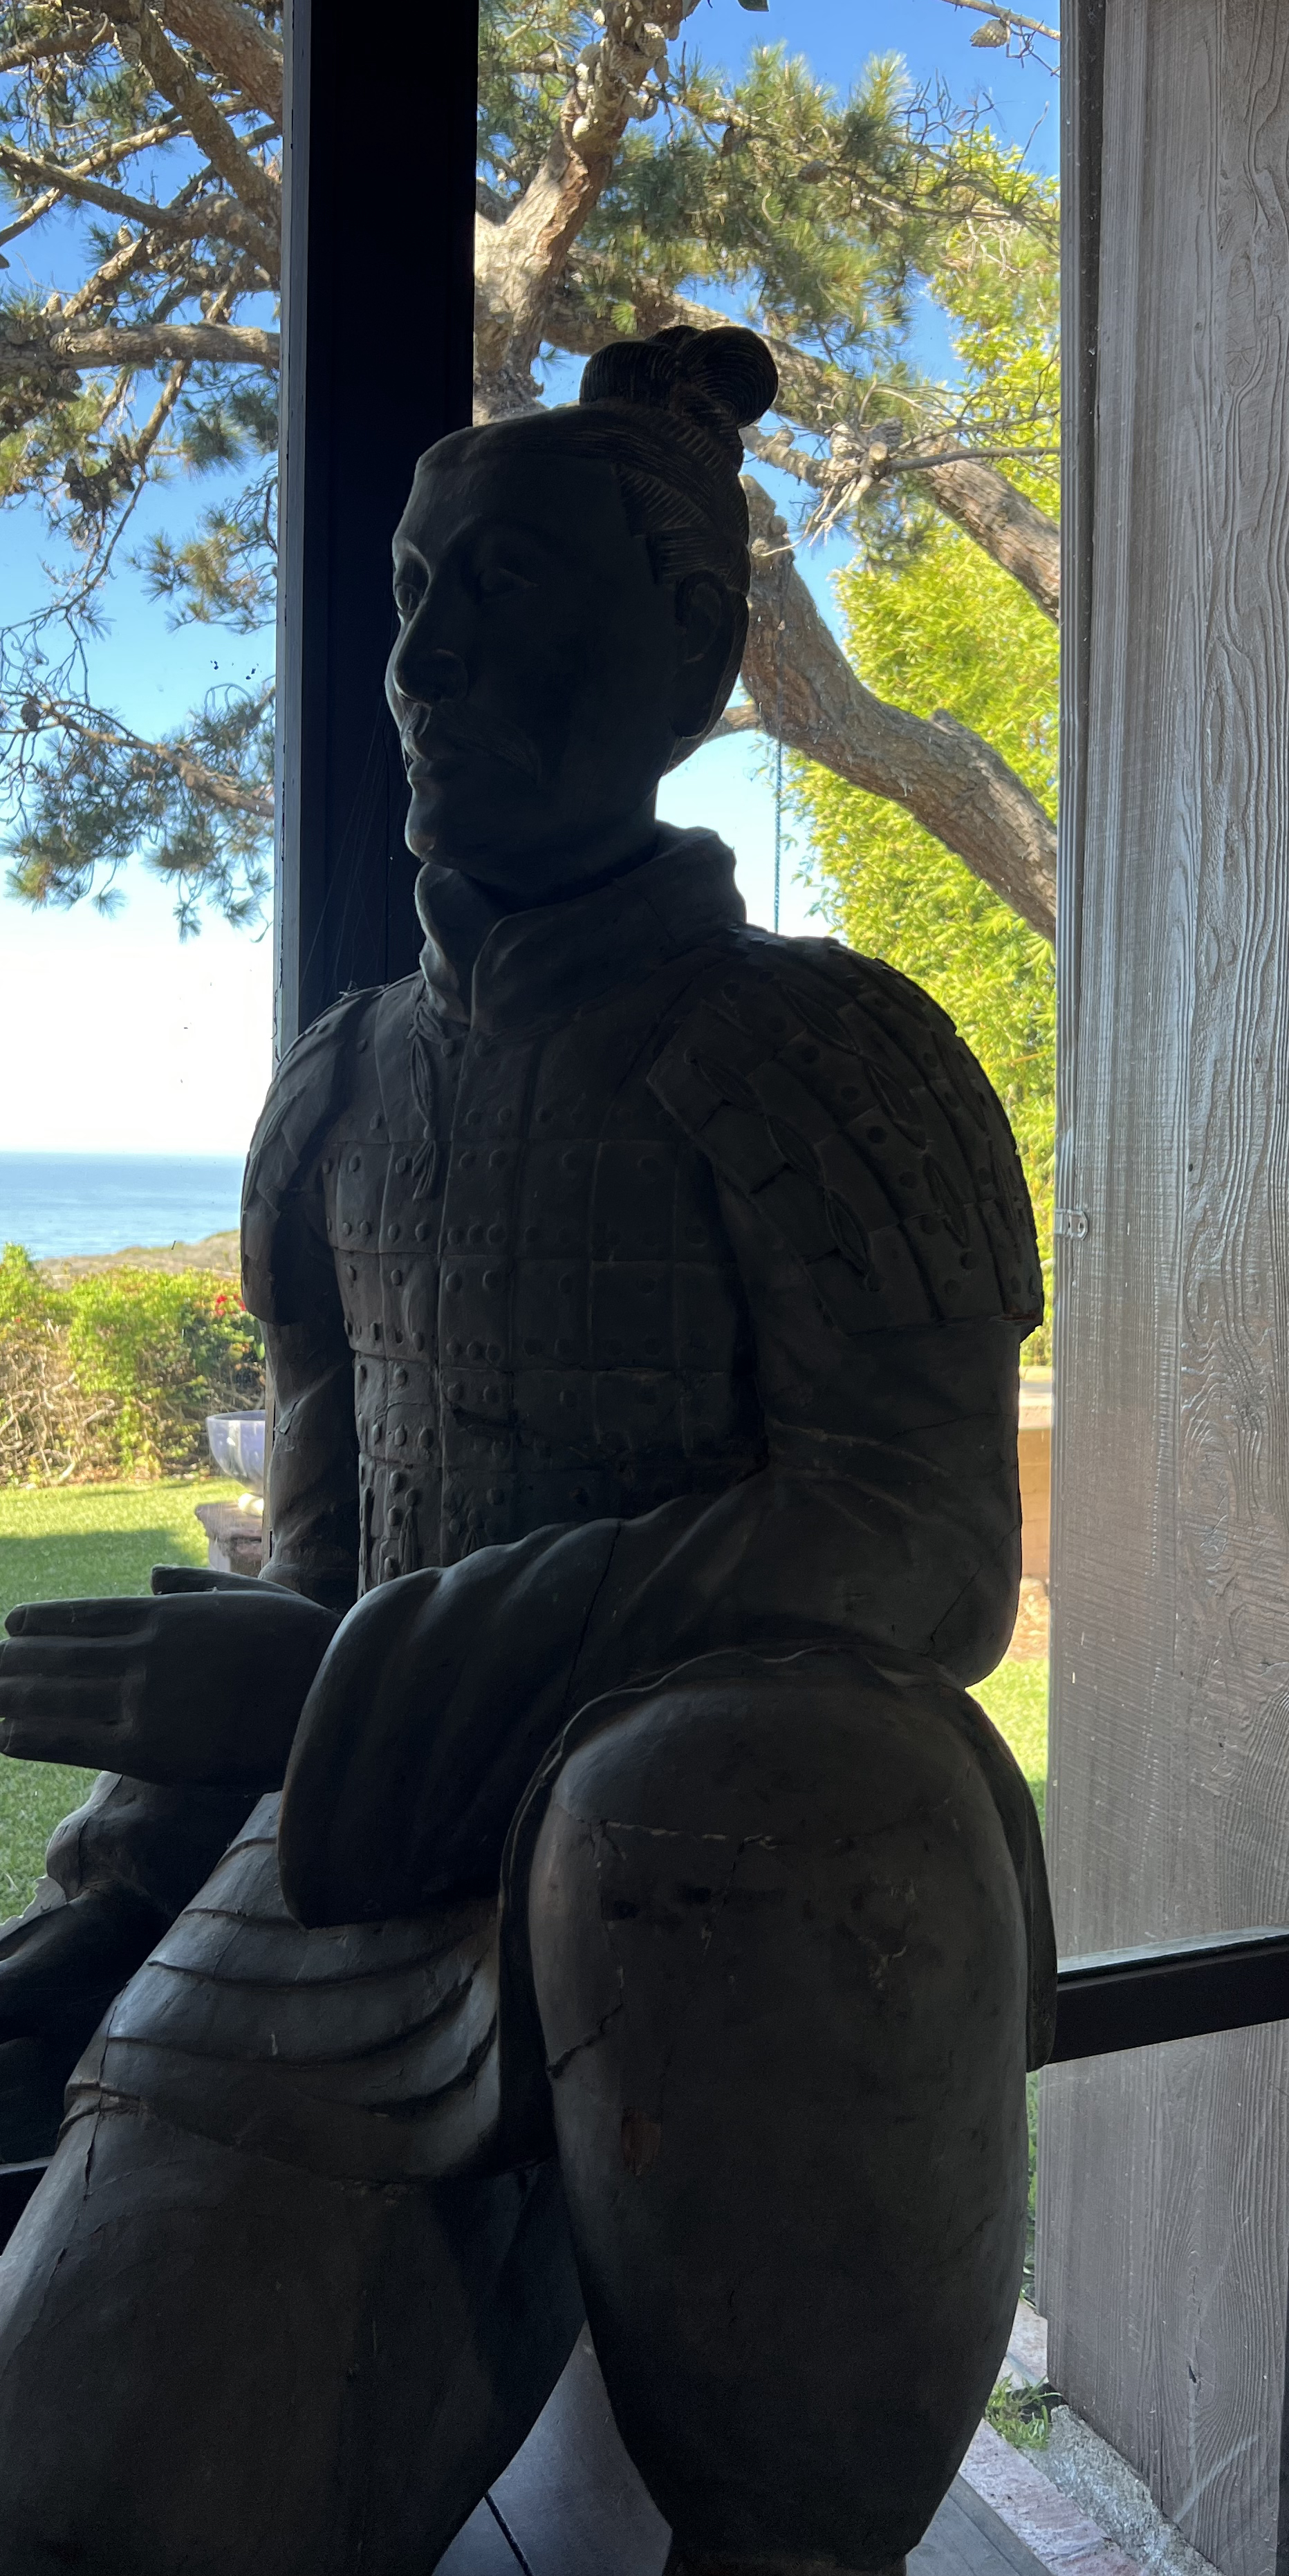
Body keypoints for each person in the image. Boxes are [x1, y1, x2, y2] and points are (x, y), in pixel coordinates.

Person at [0, 326, 1053, 2576]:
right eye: (409, 597)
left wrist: (342, 1677)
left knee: (742, 1788)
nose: (422, 666)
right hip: (379, 1860)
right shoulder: (346, 1086)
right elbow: (323, 1566)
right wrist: (123, 1884)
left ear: (689, 644)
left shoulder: (827, 1057)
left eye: (504, 590)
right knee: (91, 2500)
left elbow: (919, 1540)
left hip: (733, 1880)